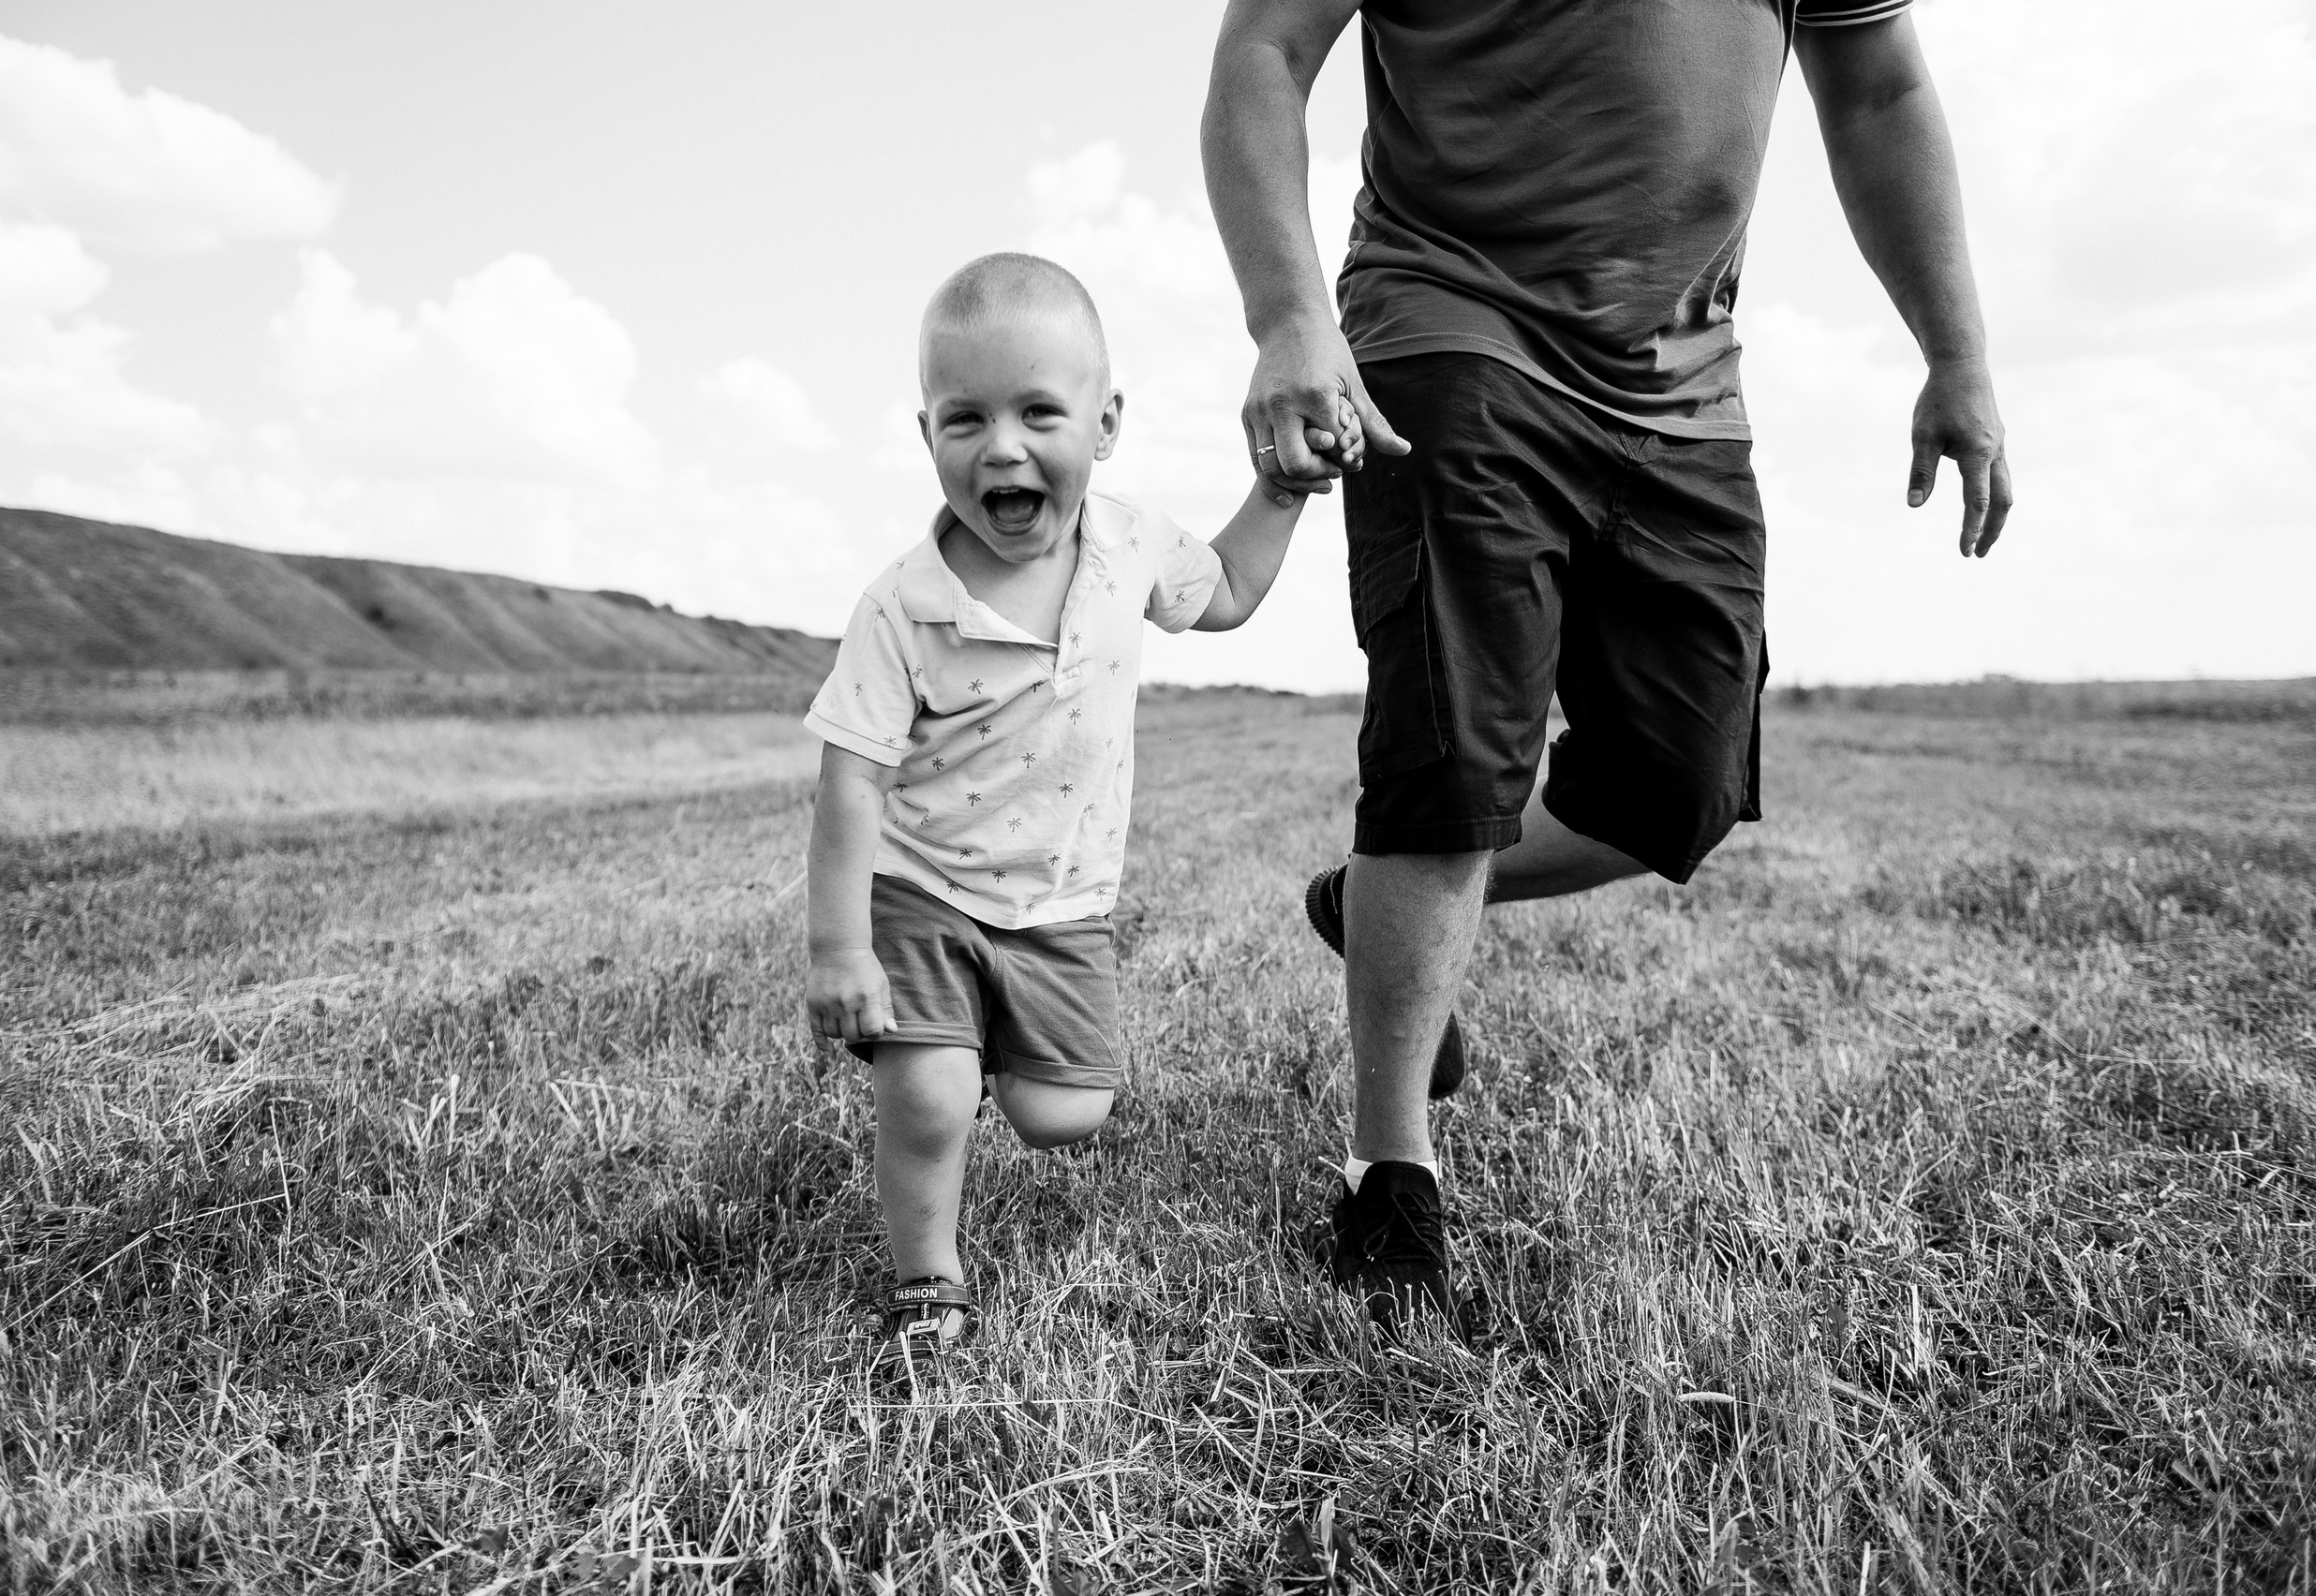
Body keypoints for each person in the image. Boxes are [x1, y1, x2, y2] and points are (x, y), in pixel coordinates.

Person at [1202, 0, 2014, 1332]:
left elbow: (1877, 92)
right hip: (1443, 326)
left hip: (1680, 385)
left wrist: (1959, 352)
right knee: (1456, 754)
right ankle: (1387, 1170)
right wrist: (1289, 314)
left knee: (1678, 782)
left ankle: (1379, 908)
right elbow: (1263, 53)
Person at [801, 252, 1338, 1375]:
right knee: (933, 1098)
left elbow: (1228, 594)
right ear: (927, 435)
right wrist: (842, 948)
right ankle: (925, 1277)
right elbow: (849, 779)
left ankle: (986, 1045)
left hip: (1061, 903)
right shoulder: (905, 606)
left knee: (1062, 1116)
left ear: (1104, 425)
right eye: (966, 419)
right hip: (925, 887)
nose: (1001, 446)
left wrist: (1280, 493)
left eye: (1038, 412)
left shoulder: (1130, 542)